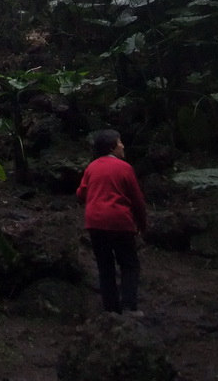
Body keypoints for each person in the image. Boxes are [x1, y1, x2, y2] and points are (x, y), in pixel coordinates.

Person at [76, 129, 147, 315]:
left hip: (95, 223)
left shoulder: (91, 167)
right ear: (111, 147)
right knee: (129, 264)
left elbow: (80, 193)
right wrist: (142, 224)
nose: (123, 145)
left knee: (105, 266)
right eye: (120, 142)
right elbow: (137, 200)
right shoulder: (124, 168)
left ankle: (111, 309)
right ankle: (129, 306)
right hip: (120, 222)